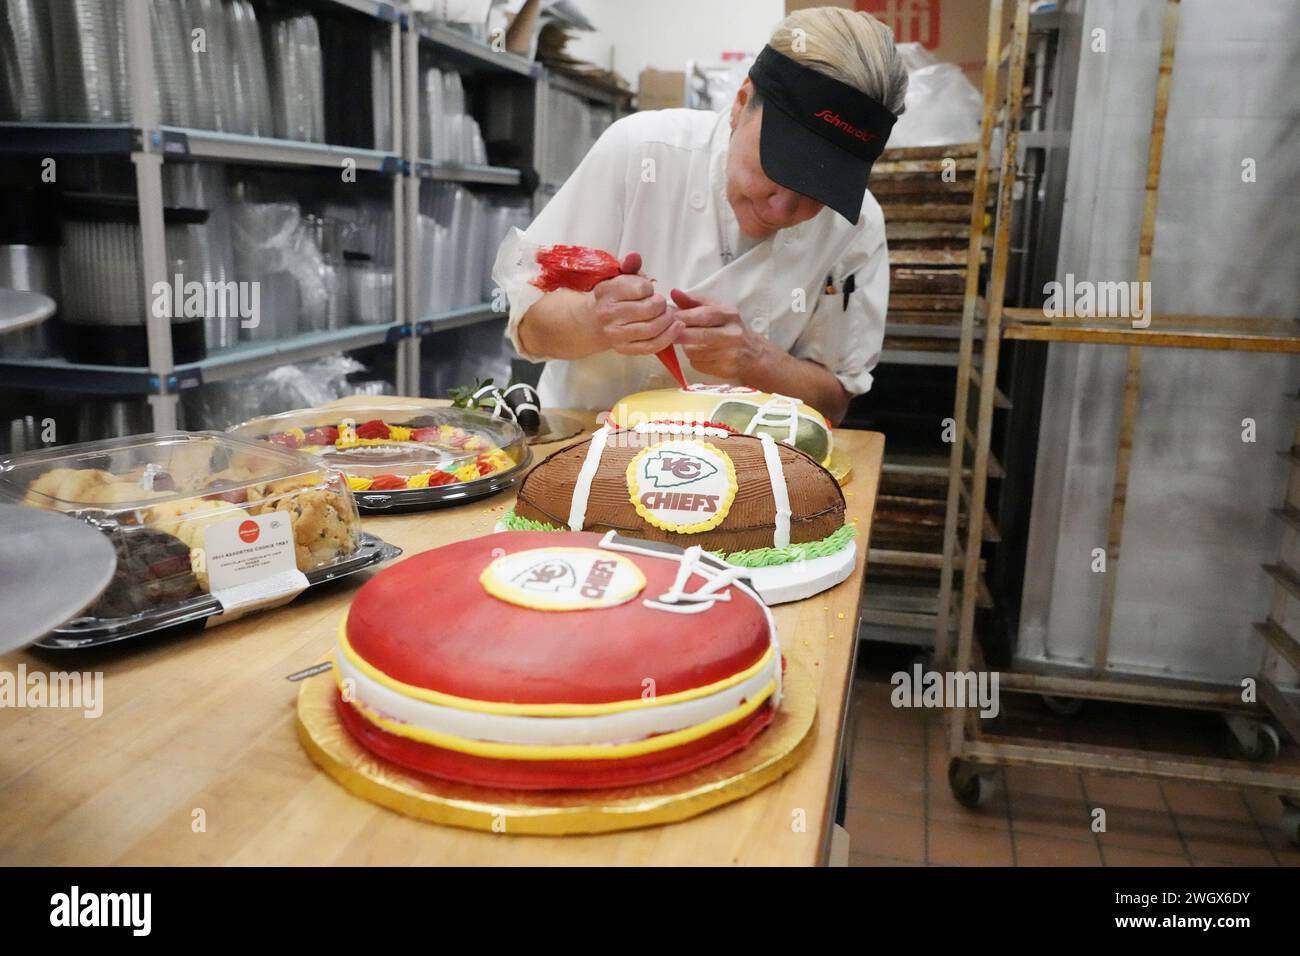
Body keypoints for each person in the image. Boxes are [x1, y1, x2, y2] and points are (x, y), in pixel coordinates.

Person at [492, 6, 907, 424]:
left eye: (815, 193)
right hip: (584, 446)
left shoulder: (856, 227)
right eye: (775, 170)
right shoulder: (642, 151)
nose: (781, 209)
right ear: (741, 104)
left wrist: (755, 358)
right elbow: (527, 326)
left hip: (745, 465)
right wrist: (597, 319)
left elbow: (833, 404)